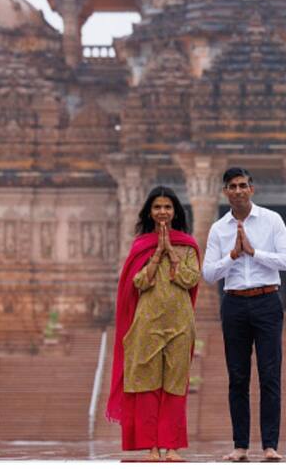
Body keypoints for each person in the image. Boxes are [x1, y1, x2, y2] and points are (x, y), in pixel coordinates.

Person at [203, 167, 286, 461]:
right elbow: (207, 274)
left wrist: (254, 252)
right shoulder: (219, 228)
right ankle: (240, 445)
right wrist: (232, 255)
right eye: (232, 186)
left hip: (267, 299)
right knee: (238, 376)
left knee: (270, 375)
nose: (239, 190)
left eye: (243, 185)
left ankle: (270, 445)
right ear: (225, 192)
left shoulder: (272, 220)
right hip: (234, 303)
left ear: (252, 189)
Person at [106, 186, 201, 461]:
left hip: (180, 322)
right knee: (147, 385)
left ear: (175, 212)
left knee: (174, 384)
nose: (162, 212)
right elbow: (139, 283)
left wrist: (171, 251)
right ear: (150, 211)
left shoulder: (187, 245)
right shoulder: (141, 246)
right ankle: (152, 448)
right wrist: (157, 253)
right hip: (147, 322)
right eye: (157, 207)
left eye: (167, 207)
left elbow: (190, 279)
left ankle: (171, 448)